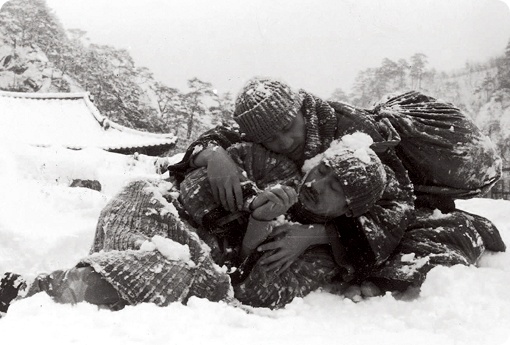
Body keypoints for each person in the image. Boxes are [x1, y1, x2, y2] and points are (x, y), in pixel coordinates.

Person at [0, 133, 391, 311]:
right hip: (151, 208)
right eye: (322, 169)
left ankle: (29, 293)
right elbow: (196, 181)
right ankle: (59, 292)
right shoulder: (278, 169)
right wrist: (215, 161)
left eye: (336, 186)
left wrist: (258, 225)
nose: (317, 183)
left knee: (179, 276)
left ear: (349, 209)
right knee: (171, 266)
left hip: (186, 259)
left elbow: (251, 294)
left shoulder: (320, 256)